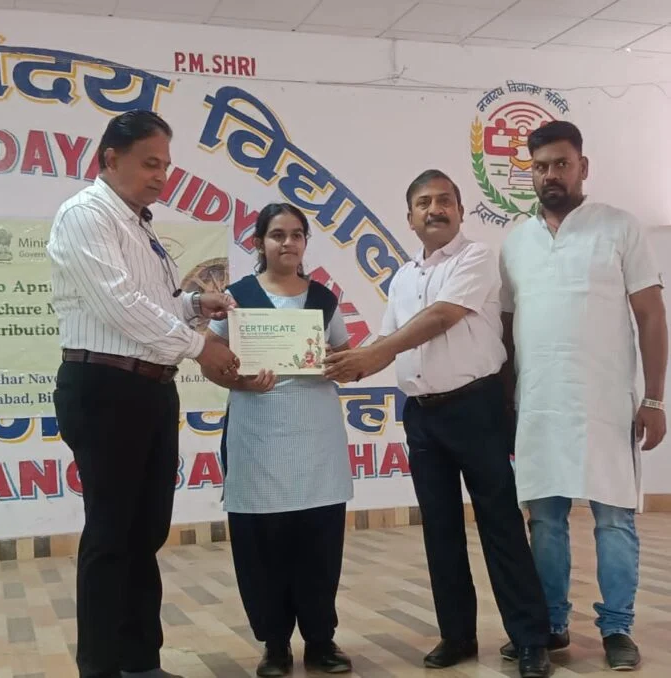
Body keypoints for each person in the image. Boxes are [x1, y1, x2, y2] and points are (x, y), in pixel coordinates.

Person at [324, 170, 551, 678]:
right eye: (423, 203)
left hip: (477, 409)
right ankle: (457, 635)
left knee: (500, 525)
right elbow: (388, 342)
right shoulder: (403, 277)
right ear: (409, 218)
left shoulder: (476, 257)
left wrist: (374, 353)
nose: (435, 209)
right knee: (440, 530)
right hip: (422, 416)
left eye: (444, 200)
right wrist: (340, 363)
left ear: (461, 210)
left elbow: (442, 316)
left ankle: (530, 639)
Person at [47, 110, 240, 678]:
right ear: (111, 158)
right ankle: (101, 667)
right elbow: (118, 305)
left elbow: (150, 304)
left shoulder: (138, 223)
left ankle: (139, 662)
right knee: (111, 533)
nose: (161, 176)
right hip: (106, 387)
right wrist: (199, 345)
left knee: (146, 530)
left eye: (166, 165)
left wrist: (193, 305)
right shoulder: (86, 214)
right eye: (150, 163)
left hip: (150, 387)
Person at [498, 120, 668, 671]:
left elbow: (651, 315)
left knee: (614, 521)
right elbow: (506, 329)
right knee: (545, 523)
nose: (551, 174)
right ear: (531, 173)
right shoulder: (515, 242)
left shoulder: (619, 227)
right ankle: (551, 624)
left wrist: (655, 399)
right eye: (541, 166)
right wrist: (507, 401)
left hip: (607, 404)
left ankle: (617, 627)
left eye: (561, 164)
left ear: (583, 167)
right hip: (539, 405)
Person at [200, 203, 354, 677]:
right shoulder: (236, 298)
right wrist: (239, 382)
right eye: (277, 234)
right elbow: (210, 359)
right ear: (259, 243)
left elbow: (346, 356)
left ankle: (321, 641)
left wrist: (334, 363)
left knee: (319, 543)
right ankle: (275, 645)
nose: (288, 243)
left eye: (296, 235)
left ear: (305, 242)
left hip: (316, 437)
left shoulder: (324, 299)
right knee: (262, 545)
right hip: (258, 432)